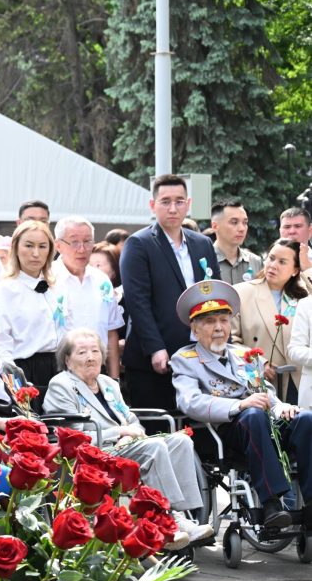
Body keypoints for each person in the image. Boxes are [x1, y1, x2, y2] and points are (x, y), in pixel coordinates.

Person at [45, 328, 213, 547]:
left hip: (125, 446)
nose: (91, 357)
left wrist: (132, 434)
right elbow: (74, 437)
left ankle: (181, 515)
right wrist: (120, 433)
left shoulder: (108, 384)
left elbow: (131, 419)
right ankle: (166, 519)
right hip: (94, 454)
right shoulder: (61, 385)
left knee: (181, 441)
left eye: (95, 351)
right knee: (154, 447)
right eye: (82, 352)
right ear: (67, 360)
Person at [171, 279, 312, 530]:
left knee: (305, 419)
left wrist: (280, 407)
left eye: (223, 320)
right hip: (227, 431)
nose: (218, 327)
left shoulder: (243, 354)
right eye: (209, 321)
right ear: (195, 329)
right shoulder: (185, 359)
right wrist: (239, 405)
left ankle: (311, 503)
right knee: (254, 415)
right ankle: (271, 503)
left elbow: (264, 391)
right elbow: (189, 401)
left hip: (263, 423)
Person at [120, 174, 219, 412]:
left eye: (179, 201)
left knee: (202, 424)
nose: (173, 208)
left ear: (188, 204)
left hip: (199, 353)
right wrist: (155, 347)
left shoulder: (202, 244)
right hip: (155, 358)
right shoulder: (139, 244)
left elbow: (214, 295)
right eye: (165, 201)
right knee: (161, 426)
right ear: (152, 205)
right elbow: (137, 302)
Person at [0, 220, 63, 407]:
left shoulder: (57, 287)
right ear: (16, 248)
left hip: (59, 369)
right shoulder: (5, 291)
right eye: (29, 246)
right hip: (24, 370)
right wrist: (14, 382)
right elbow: (0, 343)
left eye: (42, 246)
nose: (36, 253)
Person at [231, 239, 307, 404]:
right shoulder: (241, 292)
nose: (273, 265)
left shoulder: (304, 295)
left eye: (282, 262)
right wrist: (258, 362)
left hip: (299, 379)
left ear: (295, 270)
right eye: (271, 258)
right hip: (261, 380)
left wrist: (307, 268)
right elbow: (232, 341)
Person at [52, 216, 124, 378]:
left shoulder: (102, 280)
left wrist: (114, 378)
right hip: (59, 370)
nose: (82, 249)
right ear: (58, 245)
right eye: (74, 242)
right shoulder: (48, 280)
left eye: (87, 241)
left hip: (98, 370)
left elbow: (111, 332)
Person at [211, 200, 262, 286]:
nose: (242, 228)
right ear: (215, 226)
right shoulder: (204, 261)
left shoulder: (255, 262)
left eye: (245, 223)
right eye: (234, 222)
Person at [279, 206, 312, 272]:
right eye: (287, 227)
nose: (292, 231)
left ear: (310, 231)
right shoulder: (269, 262)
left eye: (298, 226)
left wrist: (308, 269)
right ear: (280, 231)